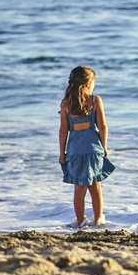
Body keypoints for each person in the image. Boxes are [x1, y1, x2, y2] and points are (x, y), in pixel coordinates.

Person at [59, 65, 115, 228]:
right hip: (93, 149)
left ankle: (80, 220)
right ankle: (98, 219)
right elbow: (103, 126)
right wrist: (104, 147)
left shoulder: (66, 104)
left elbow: (63, 131)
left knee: (79, 187)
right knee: (95, 185)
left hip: (75, 150)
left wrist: (62, 153)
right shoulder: (95, 100)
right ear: (88, 84)